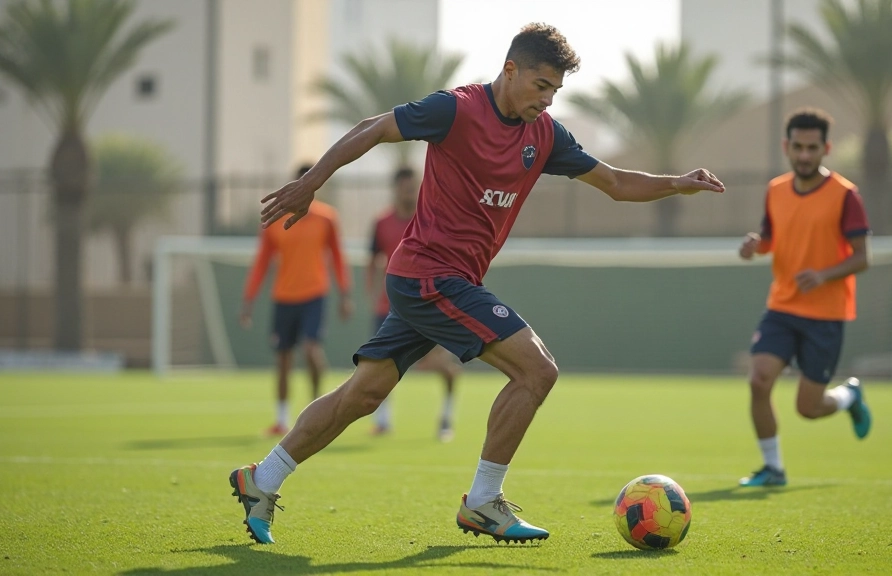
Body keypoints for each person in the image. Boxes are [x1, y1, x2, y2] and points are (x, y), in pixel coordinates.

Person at [229, 23, 724, 545]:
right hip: (429, 275)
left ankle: (261, 480)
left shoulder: (546, 134)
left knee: (364, 394)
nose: (547, 99)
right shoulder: (456, 109)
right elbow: (374, 126)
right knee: (537, 371)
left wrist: (677, 183)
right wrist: (310, 184)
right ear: (510, 70)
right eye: (540, 86)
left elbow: (617, 183)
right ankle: (484, 501)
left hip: (438, 281)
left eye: (556, 90)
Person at [736, 108, 873, 488]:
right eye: (798, 147)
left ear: (826, 148)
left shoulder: (846, 196)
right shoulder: (776, 189)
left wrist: (824, 274)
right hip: (781, 307)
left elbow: (863, 258)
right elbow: (771, 240)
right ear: (787, 146)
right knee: (759, 380)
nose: (805, 155)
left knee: (808, 408)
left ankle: (848, 397)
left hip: (826, 314)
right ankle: (773, 469)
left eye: (812, 148)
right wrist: (755, 245)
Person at [240, 164, 354, 436]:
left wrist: (345, 294)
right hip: (283, 297)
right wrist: (248, 300)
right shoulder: (276, 219)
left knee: (312, 350)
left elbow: (337, 257)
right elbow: (262, 262)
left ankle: (316, 410)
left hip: (314, 294)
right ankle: (281, 419)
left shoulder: (327, 218)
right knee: (283, 358)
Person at [367, 167, 461, 442]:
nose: (410, 192)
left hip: (427, 306)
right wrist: (372, 293)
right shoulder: (381, 222)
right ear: (395, 189)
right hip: (388, 308)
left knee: (441, 365)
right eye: (405, 187)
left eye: (413, 187)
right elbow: (373, 260)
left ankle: (446, 418)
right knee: (379, 367)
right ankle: (383, 420)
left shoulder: (430, 219)